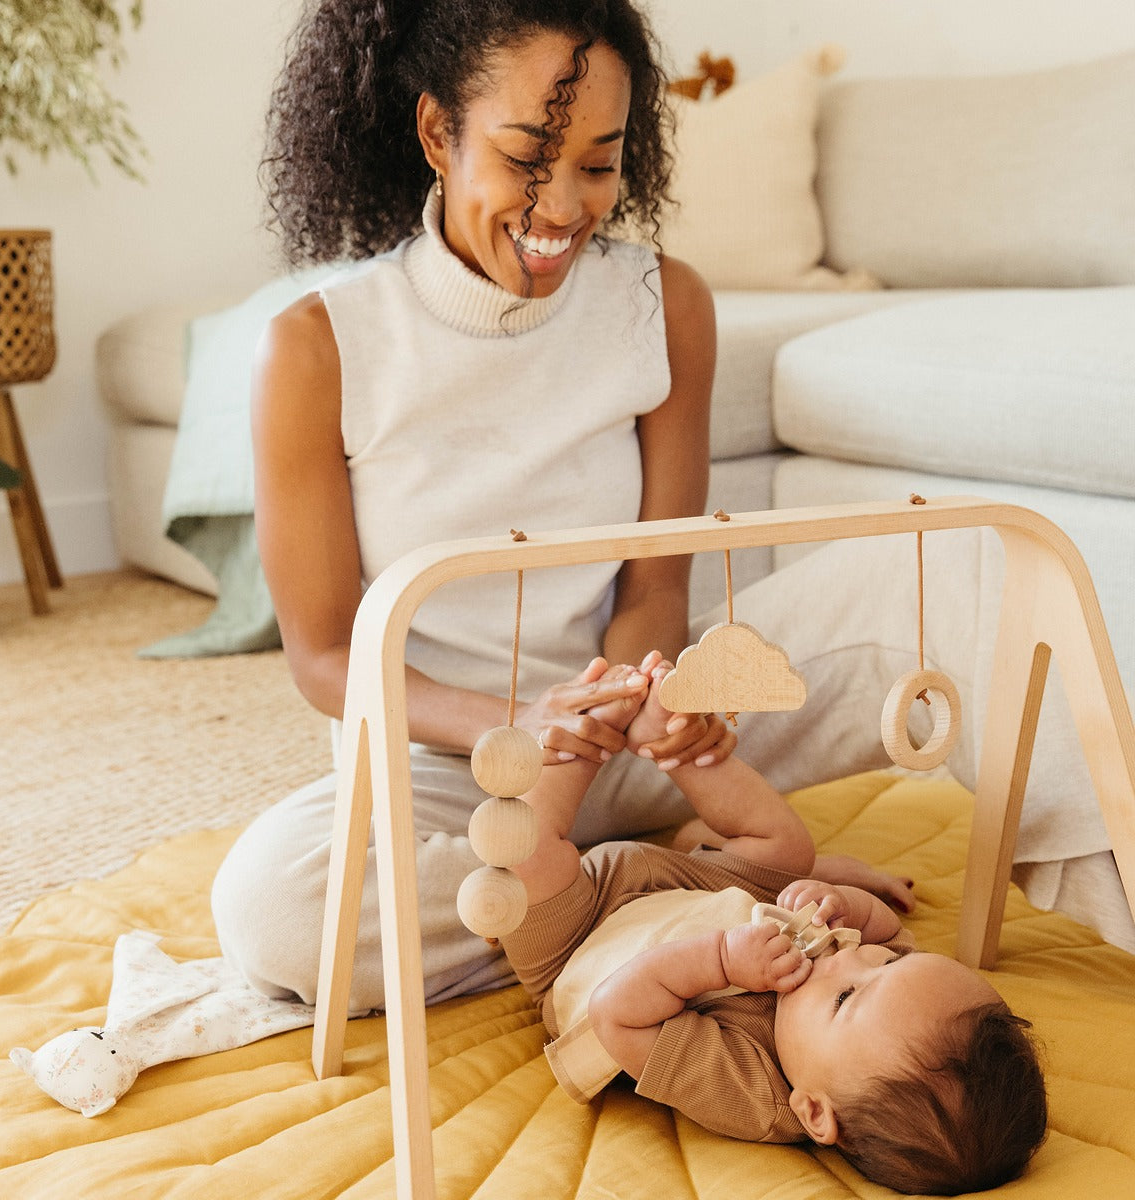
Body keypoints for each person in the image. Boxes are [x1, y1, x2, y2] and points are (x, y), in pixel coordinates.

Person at [211, 0, 740, 1012]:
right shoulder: (319, 348)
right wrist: (524, 732)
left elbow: (658, 579)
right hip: (462, 774)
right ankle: (648, 889)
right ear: (437, 133)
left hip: (653, 739)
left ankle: (587, 888)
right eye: (527, 156)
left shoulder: (663, 305)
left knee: (968, 580)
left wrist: (636, 700)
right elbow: (326, 659)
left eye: (598, 164)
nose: (564, 209)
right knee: (274, 908)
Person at [503, 655, 1049, 1196]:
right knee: (790, 848)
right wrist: (842, 902)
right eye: (891, 963)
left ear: (813, 1110)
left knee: (524, 860)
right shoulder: (864, 988)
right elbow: (884, 930)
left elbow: (617, 1015)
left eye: (843, 998)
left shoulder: (752, 1092)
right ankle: (671, 742)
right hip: (692, 886)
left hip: (583, 938)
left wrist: (720, 960)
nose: (849, 956)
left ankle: (582, 736)